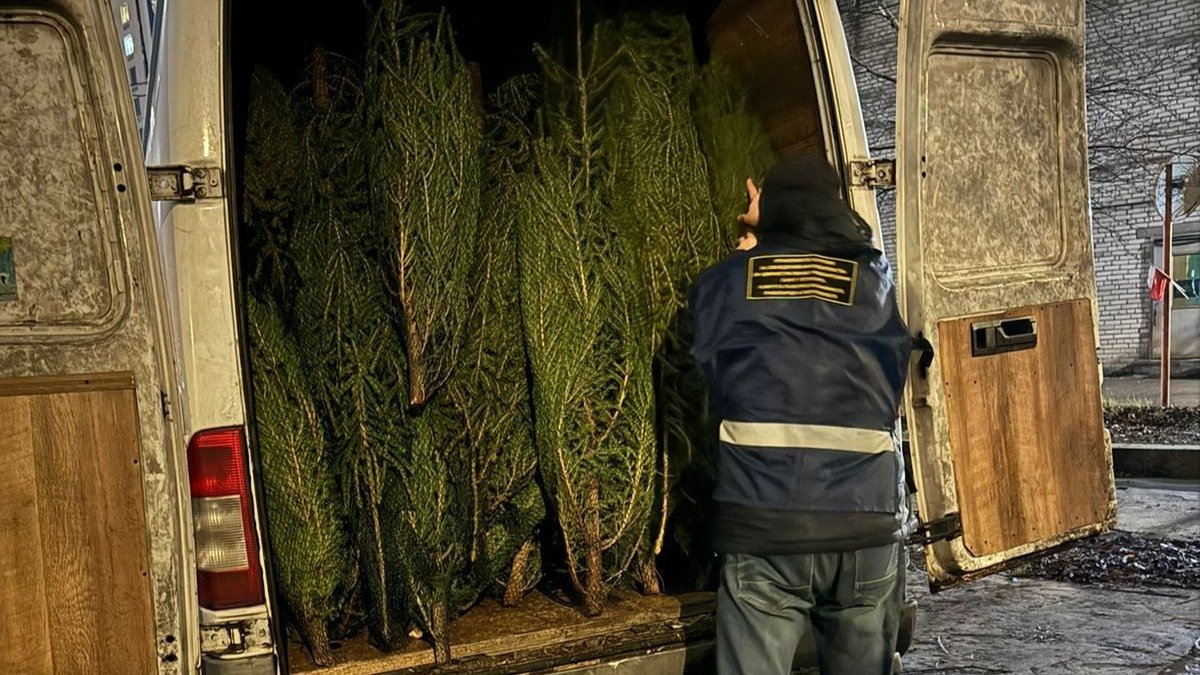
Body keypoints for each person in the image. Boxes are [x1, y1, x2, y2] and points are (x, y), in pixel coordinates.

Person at [689, 155, 914, 674]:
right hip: (866, 523)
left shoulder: (727, 282)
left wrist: (753, 245)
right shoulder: (874, 279)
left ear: (773, 207)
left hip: (766, 522)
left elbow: (705, 365)